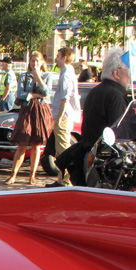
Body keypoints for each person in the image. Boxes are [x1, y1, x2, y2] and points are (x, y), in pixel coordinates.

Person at [57, 46, 133, 186]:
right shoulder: (115, 96)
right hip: (104, 161)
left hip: (90, 155)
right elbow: (119, 134)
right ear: (117, 73)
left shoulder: (96, 91)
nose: (131, 76)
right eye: (128, 71)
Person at [6, 52, 52, 185]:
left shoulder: (47, 75)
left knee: (36, 144)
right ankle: (13, 174)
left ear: (41, 62)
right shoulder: (24, 76)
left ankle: (32, 175)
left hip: (41, 110)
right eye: (32, 61)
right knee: (22, 143)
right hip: (27, 109)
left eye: (37, 61)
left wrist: (38, 77)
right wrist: (33, 95)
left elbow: (47, 93)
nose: (34, 63)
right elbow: (20, 93)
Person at [50, 46, 80, 181]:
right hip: (64, 115)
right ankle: (61, 178)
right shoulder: (67, 73)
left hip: (64, 116)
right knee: (60, 149)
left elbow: (64, 98)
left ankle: (66, 180)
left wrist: (59, 117)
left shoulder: (66, 75)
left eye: (58, 56)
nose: (56, 59)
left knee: (63, 150)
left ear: (64, 58)